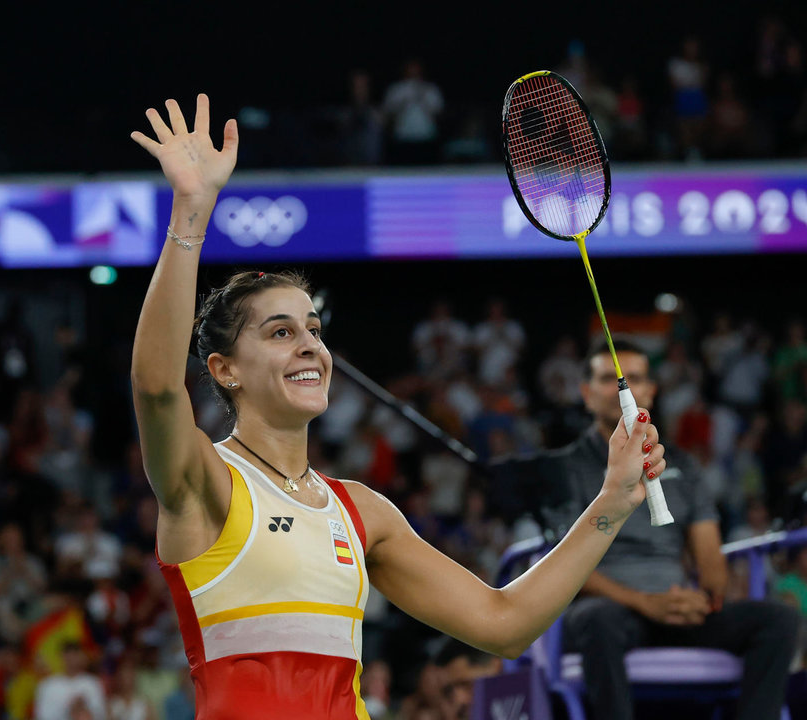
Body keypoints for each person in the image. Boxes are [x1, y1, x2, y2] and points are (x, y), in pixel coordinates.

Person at [128, 94, 666, 718]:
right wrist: (191, 212)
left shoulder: (363, 513)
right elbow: (158, 388)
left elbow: (504, 622)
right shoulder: (206, 482)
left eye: (314, 329)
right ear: (224, 371)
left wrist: (612, 502)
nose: (310, 347)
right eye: (281, 332)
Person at [494, 339, 800, 720]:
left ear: (651, 391)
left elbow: (709, 557)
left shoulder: (683, 466)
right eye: (609, 379)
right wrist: (644, 603)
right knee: (596, 619)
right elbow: (566, 565)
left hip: (673, 608)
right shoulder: (564, 469)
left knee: (779, 620)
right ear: (586, 394)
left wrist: (703, 600)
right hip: (607, 614)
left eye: (635, 377)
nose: (623, 388)